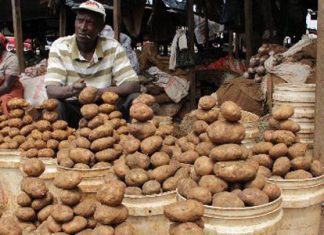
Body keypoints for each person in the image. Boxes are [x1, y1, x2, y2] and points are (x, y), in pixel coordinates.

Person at [44, 0, 140, 127]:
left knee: (135, 98)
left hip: (106, 110)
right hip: (73, 108)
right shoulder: (60, 46)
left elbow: (133, 84)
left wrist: (101, 92)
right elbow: (51, 89)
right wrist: (72, 89)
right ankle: (57, 141)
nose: (83, 27)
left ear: (101, 27)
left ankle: (134, 138)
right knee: (54, 105)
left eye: (90, 22)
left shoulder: (112, 46)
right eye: (80, 20)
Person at [0, 33, 24, 115]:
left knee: (5, 102)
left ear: (1, 46)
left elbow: (7, 86)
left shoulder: (11, 59)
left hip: (10, 91)